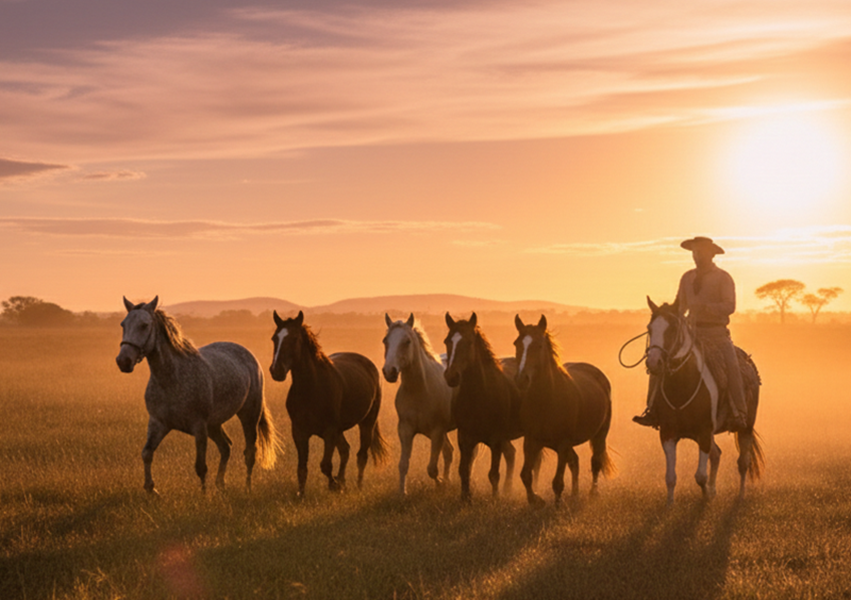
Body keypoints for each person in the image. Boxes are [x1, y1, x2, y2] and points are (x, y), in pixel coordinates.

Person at [633, 236, 749, 431]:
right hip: (690, 334)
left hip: (716, 334)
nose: (696, 256)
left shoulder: (723, 278)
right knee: (659, 360)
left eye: (700, 252)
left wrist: (706, 307)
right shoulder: (687, 277)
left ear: (711, 254)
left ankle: (739, 413)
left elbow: (730, 306)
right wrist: (668, 316)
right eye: (694, 252)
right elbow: (680, 305)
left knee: (732, 366)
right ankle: (652, 410)